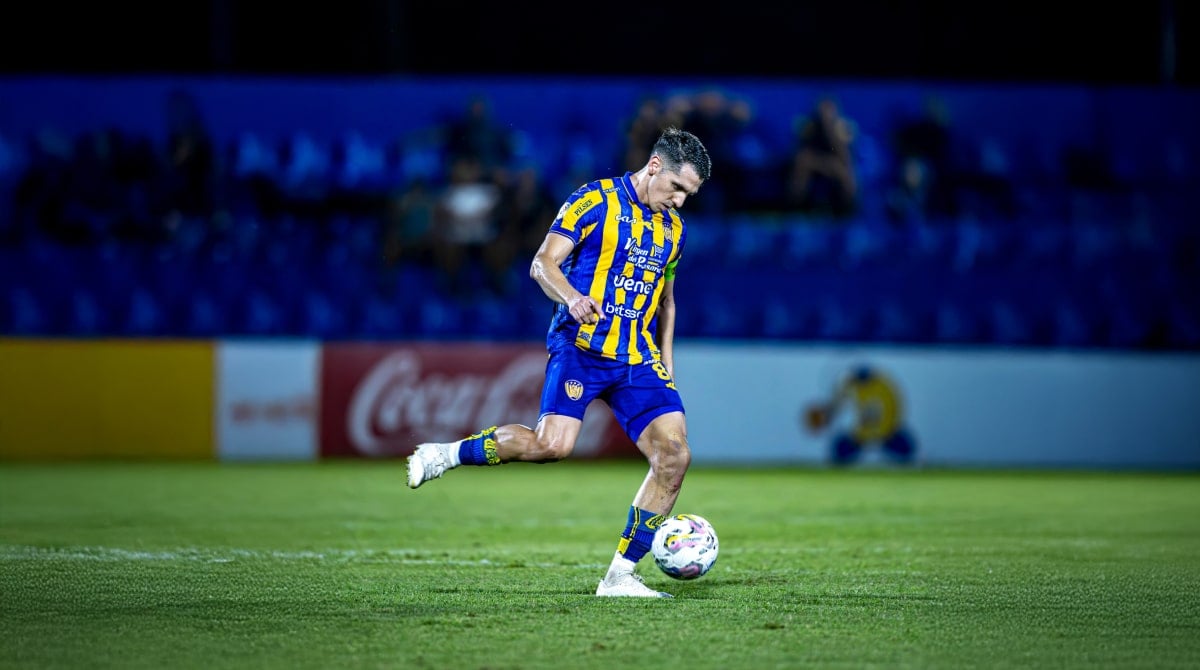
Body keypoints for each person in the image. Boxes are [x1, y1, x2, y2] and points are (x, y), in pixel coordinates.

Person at [406, 127, 712, 598]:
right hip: (580, 349)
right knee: (552, 445)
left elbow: (667, 302)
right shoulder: (594, 201)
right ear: (655, 166)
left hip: (637, 358)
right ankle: (443, 455)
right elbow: (542, 263)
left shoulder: (675, 230)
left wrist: (667, 364)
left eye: (688, 194)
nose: (679, 201)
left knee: (674, 456)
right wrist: (572, 297)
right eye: (676, 188)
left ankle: (620, 576)